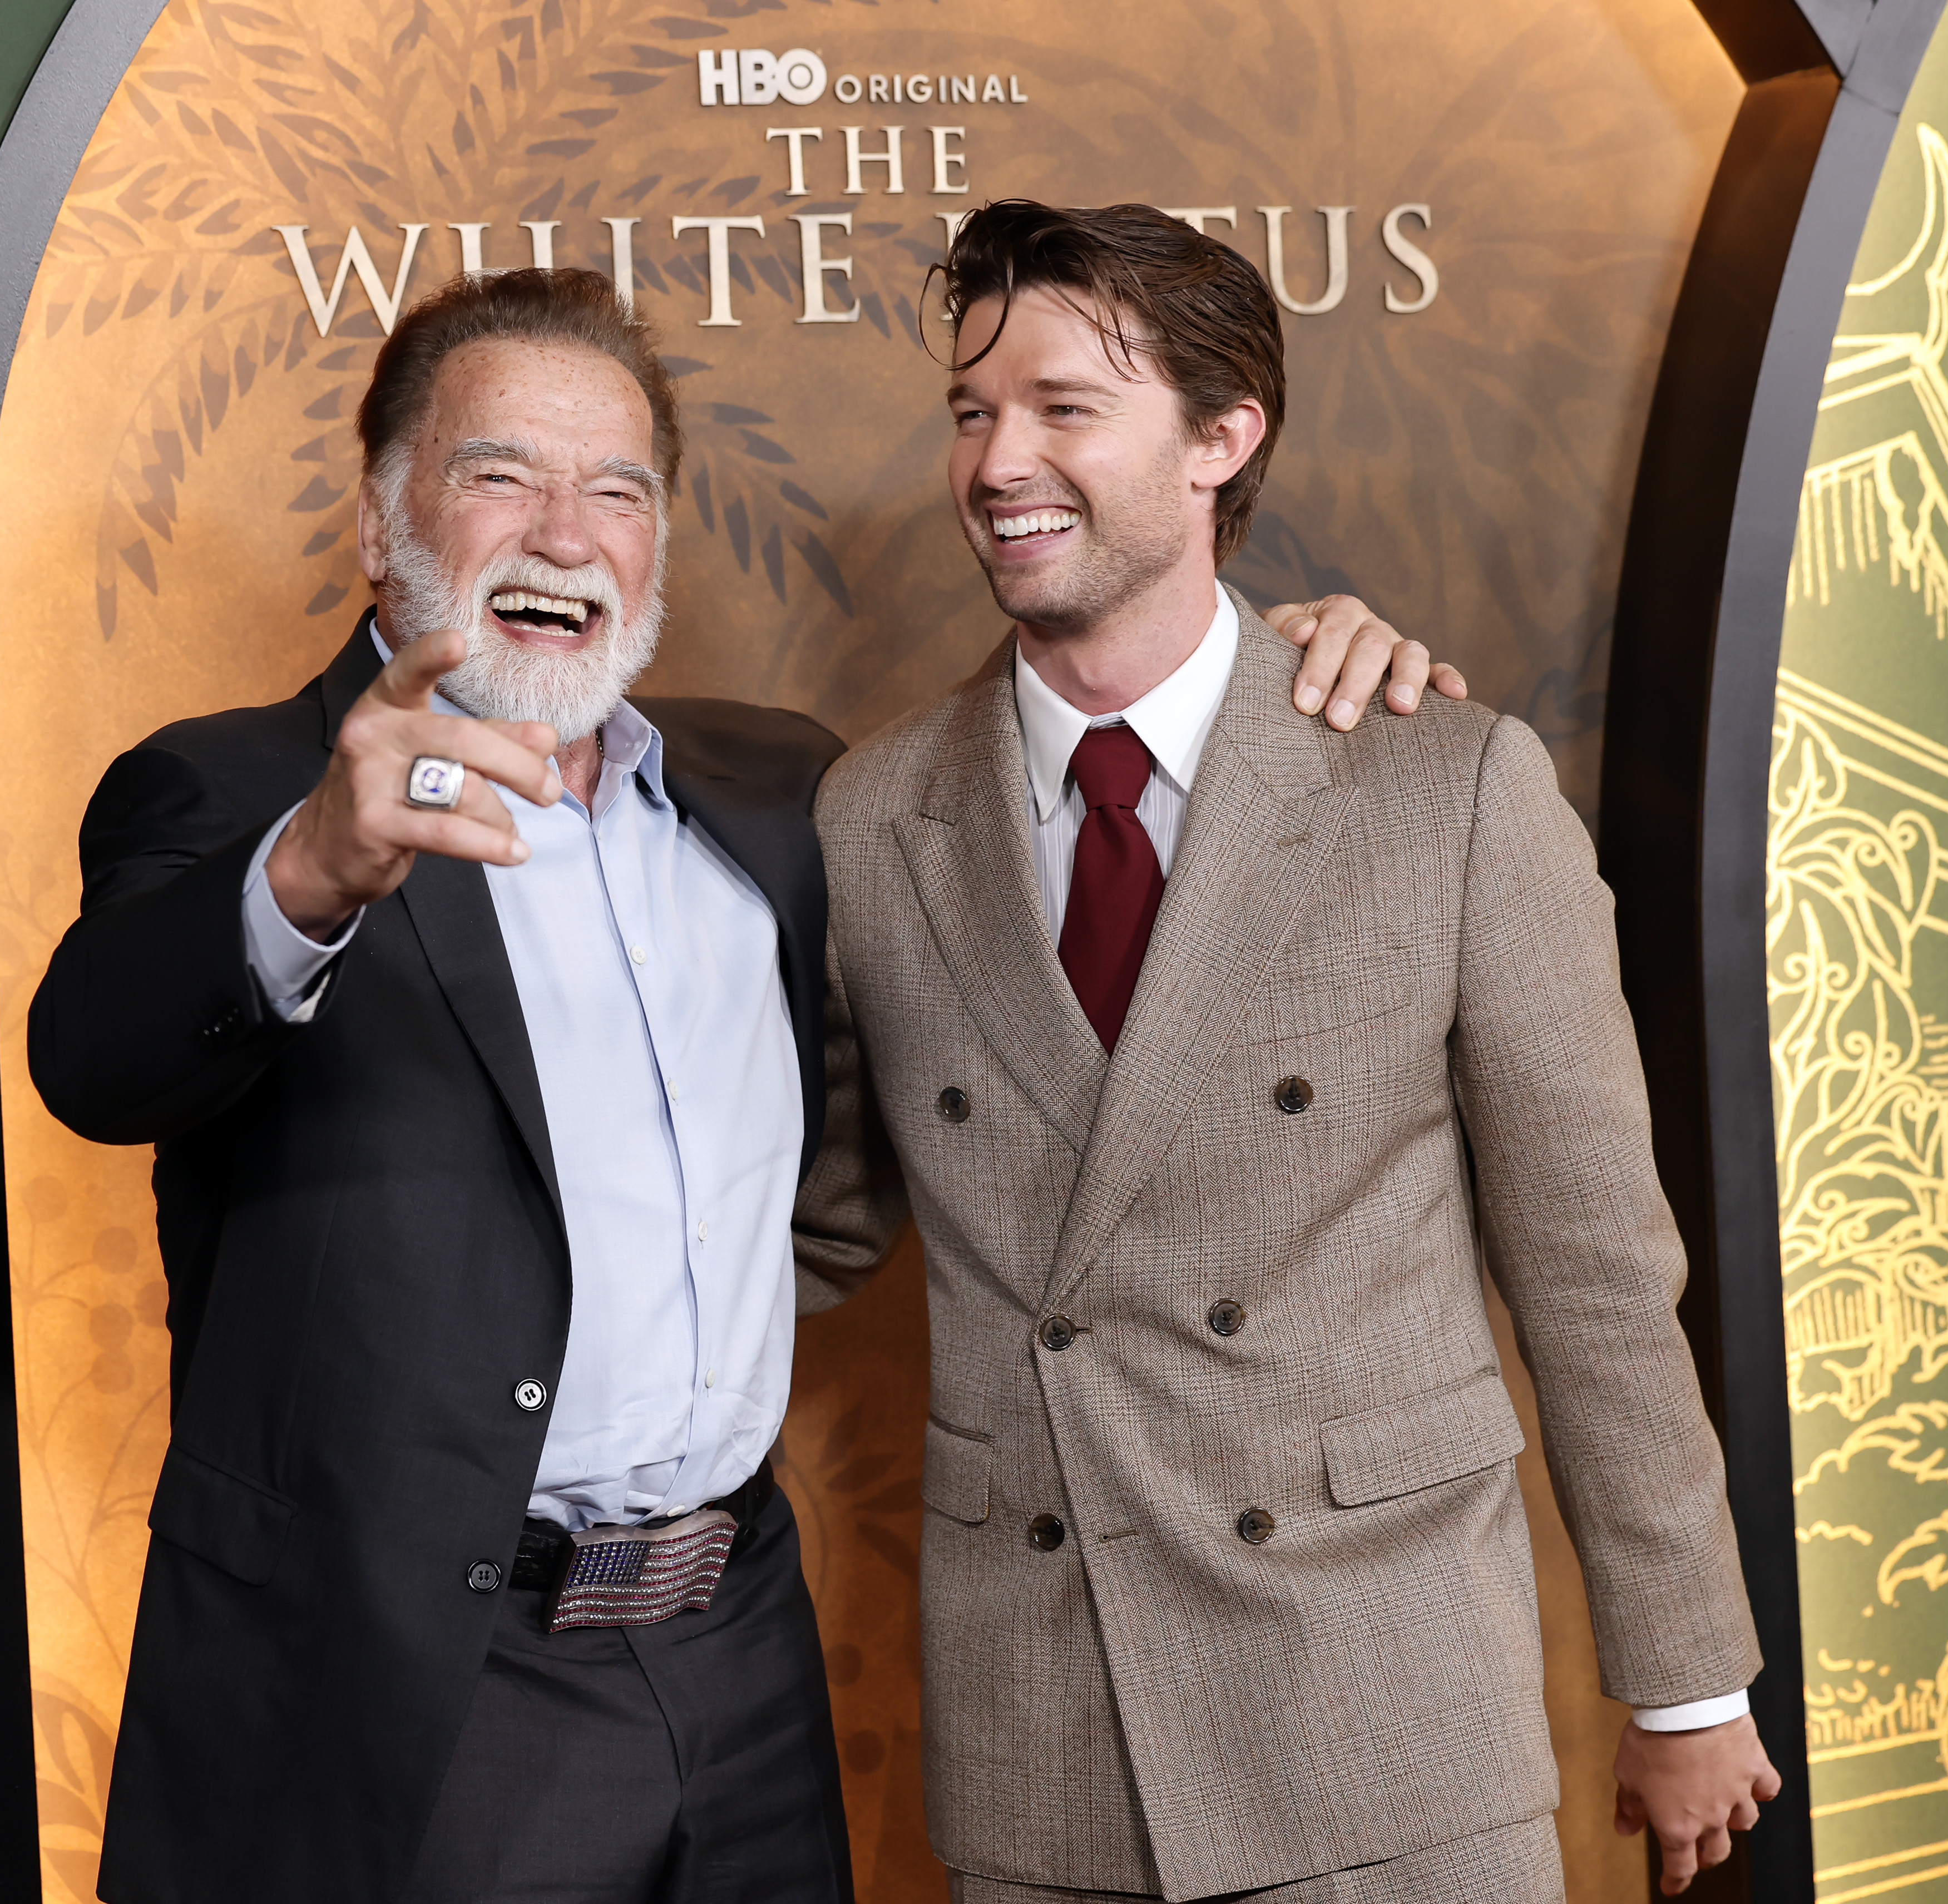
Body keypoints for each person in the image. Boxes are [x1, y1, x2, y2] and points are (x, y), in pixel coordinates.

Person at [27, 264, 1444, 1904]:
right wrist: (312, 873)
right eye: (502, 473)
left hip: (739, 1660)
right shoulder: (239, 788)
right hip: (413, 1691)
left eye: (618, 489)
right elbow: (97, 1056)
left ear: (657, 551)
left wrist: (1290, 673)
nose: (566, 529)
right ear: (378, 523)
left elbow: (1078, 810)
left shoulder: (780, 794)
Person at [793, 201, 1780, 1903]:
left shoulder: (1443, 784)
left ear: (1221, 437)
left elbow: (1597, 1274)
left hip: (1386, 1713)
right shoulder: (872, 812)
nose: (997, 460)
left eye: (1062, 407)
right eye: (970, 411)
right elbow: (811, 1228)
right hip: (1045, 1729)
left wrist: (1689, 1683)